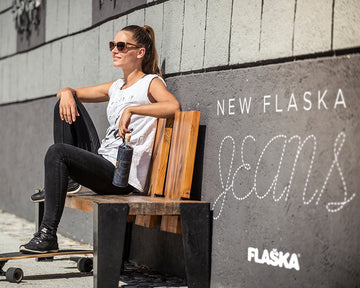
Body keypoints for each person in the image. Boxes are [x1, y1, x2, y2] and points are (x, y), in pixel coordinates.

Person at [19, 25, 180, 253]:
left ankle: (47, 235)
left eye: (122, 46)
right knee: (64, 105)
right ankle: (71, 182)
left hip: (121, 175)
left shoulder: (150, 83)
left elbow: (173, 107)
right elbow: (70, 92)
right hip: (104, 161)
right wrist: (66, 92)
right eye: (112, 45)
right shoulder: (116, 87)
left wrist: (133, 110)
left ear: (140, 52)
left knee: (57, 152)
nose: (115, 50)